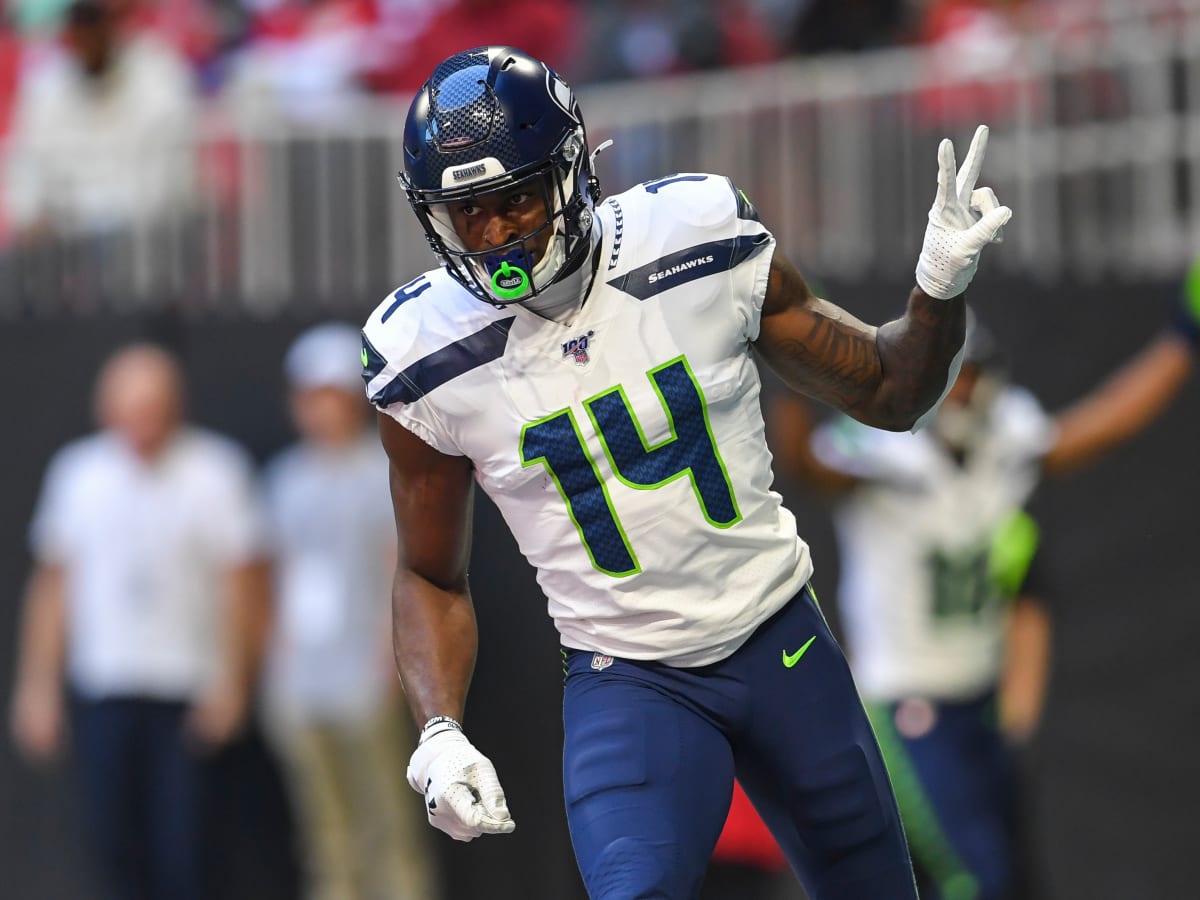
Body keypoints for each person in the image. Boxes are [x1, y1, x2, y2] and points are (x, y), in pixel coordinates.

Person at [358, 45, 1011, 898]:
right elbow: (427, 572)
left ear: (569, 172)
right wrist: (439, 728)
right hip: (627, 678)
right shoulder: (424, 355)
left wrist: (937, 286)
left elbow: (891, 392)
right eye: (463, 214)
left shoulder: (694, 239)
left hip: (780, 640)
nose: (492, 236)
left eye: (513, 198)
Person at [765, 305, 1197, 899]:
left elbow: (1106, 423)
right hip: (904, 706)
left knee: (1006, 879)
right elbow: (807, 467)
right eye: (950, 374)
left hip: (981, 703)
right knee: (975, 877)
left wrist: (1186, 335)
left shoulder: (1007, 440)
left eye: (971, 374)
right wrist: (785, 372)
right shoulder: (884, 451)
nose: (962, 390)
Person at [8, 342, 271, 900]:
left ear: (175, 406)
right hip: (104, 684)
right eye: (128, 409)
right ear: (105, 408)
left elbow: (246, 587)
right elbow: (53, 585)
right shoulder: (77, 472)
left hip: (187, 687)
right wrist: (37, 686)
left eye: (152, 408)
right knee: (110, 843)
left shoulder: (215, 471)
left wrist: (234, 684)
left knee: (188, 849)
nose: (140, 424)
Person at [261, 322, 441, 900]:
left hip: (364, 680)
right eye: (311, 397)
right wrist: (278, 669)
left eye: (333, 396)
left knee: (386, 822)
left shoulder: (380, 474)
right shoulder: (284, 479)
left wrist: (390, 669)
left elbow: (403, 573)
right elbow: (277, 577)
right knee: (323, 832)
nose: (322, 410)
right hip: (302, 681)